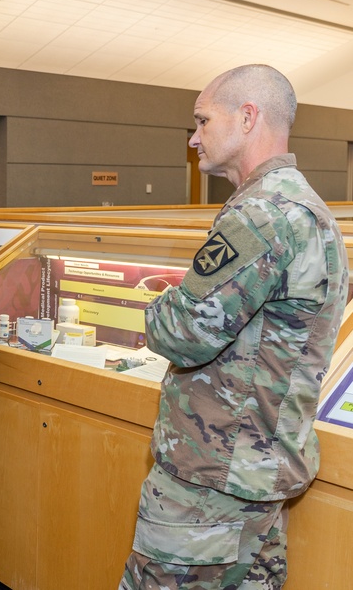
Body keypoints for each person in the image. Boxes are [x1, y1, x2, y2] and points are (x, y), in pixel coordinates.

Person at [119, 65, 348, 589]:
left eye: (202, 120)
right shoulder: (308, 207)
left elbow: (178, 330)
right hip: (258, 472)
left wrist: (161, 304)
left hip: (211, 482)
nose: (194, 137)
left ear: (247, 118)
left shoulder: (260, 214)